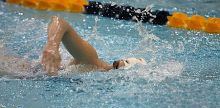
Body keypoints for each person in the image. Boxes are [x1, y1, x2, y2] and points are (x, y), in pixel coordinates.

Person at [0, 16, 146, 76]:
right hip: (19, 69)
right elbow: (59, 21)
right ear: (117, 64)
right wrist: (52, 46)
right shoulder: (91, 59)